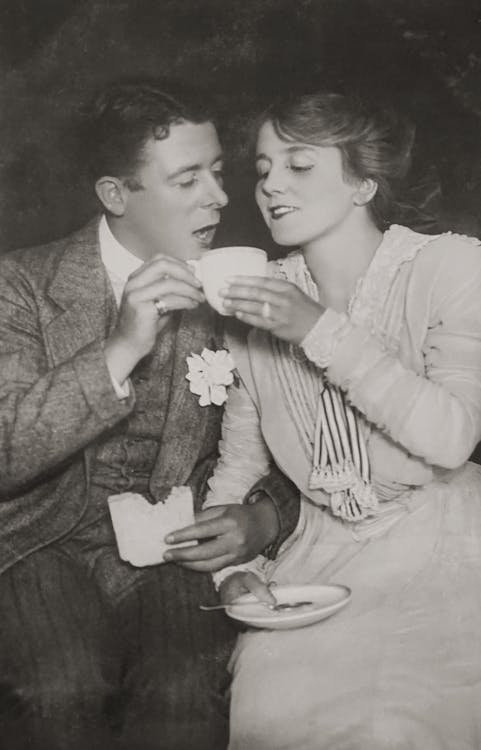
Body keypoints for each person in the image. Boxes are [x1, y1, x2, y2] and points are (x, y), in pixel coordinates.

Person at [0, 79, 300, 750]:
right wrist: (120, 349)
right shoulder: (17, 285)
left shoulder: (239, 284)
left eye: (219, 173)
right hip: (36, 543)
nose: (219, 198)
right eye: (187, 178)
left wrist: (264, 515)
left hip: (176, 544)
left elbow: (304, 436)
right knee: (62, 686)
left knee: (187, 688)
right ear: (115, 194)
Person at [192, 92, 481, 749]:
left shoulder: (450, 267)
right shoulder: (253, 293)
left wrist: (316, 329)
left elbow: (452, 437)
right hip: (320, 557)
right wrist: (230, 570)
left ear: (363, 184)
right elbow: (239, 462)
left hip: (443, 544)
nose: (269, 185)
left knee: (395, 727)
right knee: (274, 723)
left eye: (298, 165)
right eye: (263, 168)